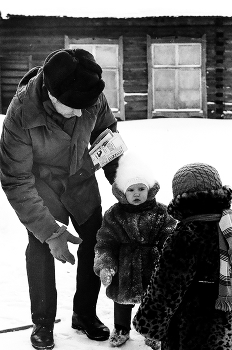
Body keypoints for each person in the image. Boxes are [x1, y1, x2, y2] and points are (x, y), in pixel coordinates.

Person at [0, 48, 121, 349]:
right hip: (42, 183)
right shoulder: (20, 115)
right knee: (41, 246)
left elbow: (107, 137)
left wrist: (125, 186)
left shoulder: (90, 95)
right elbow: (16, 179)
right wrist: (51, 231)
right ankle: (42, 323)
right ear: (53, 97)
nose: (82, 113)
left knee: (96, 242)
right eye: (74, 107)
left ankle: (84, 315)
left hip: (81, 179)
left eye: (86, 106)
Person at [133, 162, 232, 350]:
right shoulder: (229, 226)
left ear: (180, 197)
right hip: (226, 325)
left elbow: (165, 287)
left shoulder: (186, 235)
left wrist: (148, 323)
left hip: (191, 328)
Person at [93, 153, 177, 348]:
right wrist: (106, 265)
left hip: (154, 266)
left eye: (141, 188)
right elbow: (105, 242)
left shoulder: (162, 213)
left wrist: (168, 260)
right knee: (122, 301)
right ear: (122, 191)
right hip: (125, 267)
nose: (137, 193)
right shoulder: (114, 214)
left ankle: (154, 331)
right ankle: (121, 328)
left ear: (150, 189)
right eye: (131, 189)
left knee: (156, 301)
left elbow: (170, 236)